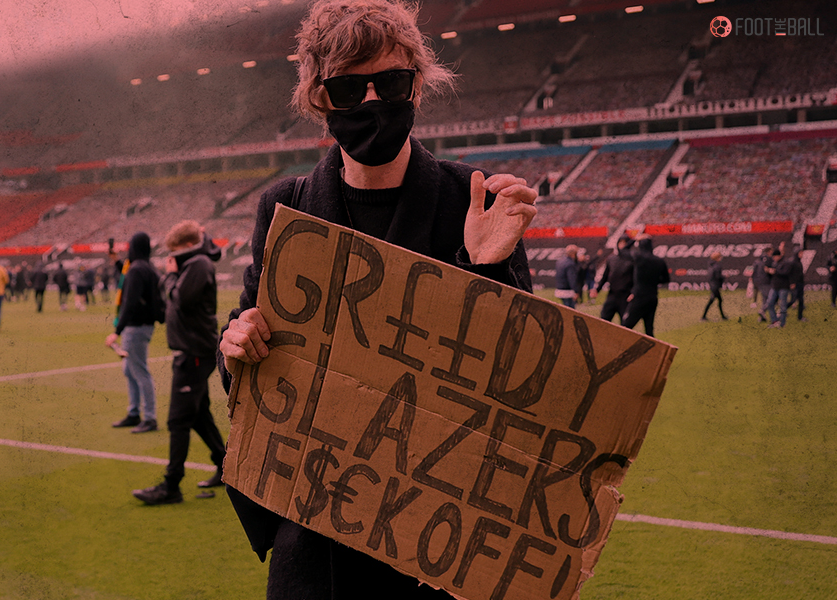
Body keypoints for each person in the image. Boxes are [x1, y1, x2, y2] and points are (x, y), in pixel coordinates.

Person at [216, 1, 536, 596]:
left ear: (417, 84)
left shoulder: (472, 201)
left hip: (431, 552)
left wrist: (486, 269)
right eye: (345, 89)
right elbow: (254, 354)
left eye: (387, 82)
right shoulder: (285, 206)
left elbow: (518, 387)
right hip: (312, 548)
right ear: (318, 99)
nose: (368, 103)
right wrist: (234, 345)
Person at [133, 221, 227, 505]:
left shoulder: (198, 263)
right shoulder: (196, 263)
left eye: (176, 250)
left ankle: (171, 485)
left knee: (177, 420)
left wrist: (172, 276)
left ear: (187, 246)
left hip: (194, 352)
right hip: (192, 350)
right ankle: (226, 468)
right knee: (198, 415)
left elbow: (182, 299)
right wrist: (172, 277)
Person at [106, 232, 163, 434]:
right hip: (144, 325)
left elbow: (129, 301)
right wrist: (116, 261)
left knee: (139, 371)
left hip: (136, 326)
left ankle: (149, 418)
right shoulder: (146, 267)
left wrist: (116, 331)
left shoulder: (137, 270)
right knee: (130, 370)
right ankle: (134, 413)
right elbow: (127, 276)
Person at [622, 236, 670, 337]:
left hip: (639, 296)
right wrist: (653, 281)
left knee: (625, 326)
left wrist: (635, 239)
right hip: (652, 297)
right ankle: (654, 352)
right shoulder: (659, 261)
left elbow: (623, 251)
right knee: (649, 330)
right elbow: (666, 279)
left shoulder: (638, 257)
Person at [596, 236, 634, 324]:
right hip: (612, 294)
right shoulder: (611, 258)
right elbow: (605, 276)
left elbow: (637, 278)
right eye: (620, 243)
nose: (622, 245)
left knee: (625, 324)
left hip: (626, 296)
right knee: (604, 320)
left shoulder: (633, 259)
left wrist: (633, 292)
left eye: (625, 243)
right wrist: (597, 289)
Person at [764, 247, 794, 329]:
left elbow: (786, 272)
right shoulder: (774, 263)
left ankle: (782, 324)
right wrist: (768, 271)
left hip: (783, 287)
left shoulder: (786, 262)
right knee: (770, 303)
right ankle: (775, 321)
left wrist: (775, 271)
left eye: (774, 257)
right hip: (774, 286)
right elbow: (773, 274)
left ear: (778, 256)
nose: (774, 258)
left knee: (783, 306)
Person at [701, 252, 728, 321]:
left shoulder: (711, 265)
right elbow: (718, 276)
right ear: (717, 258)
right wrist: (725, 276)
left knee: (716, 300)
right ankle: (704, 317)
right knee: (714, 301)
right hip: (715, 286)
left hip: (712, 285)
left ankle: (722, 316)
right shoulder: (717, 266)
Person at [789, 247, 805, 322]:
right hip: (795, 284)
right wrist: (792, 283)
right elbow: (790, 273)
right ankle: (781, 311)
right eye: (800, 253)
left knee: (801, 300)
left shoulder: (799, 262)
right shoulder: (793, 262)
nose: (802, 254)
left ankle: (800, 317)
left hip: (800, 284)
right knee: (793, 300)